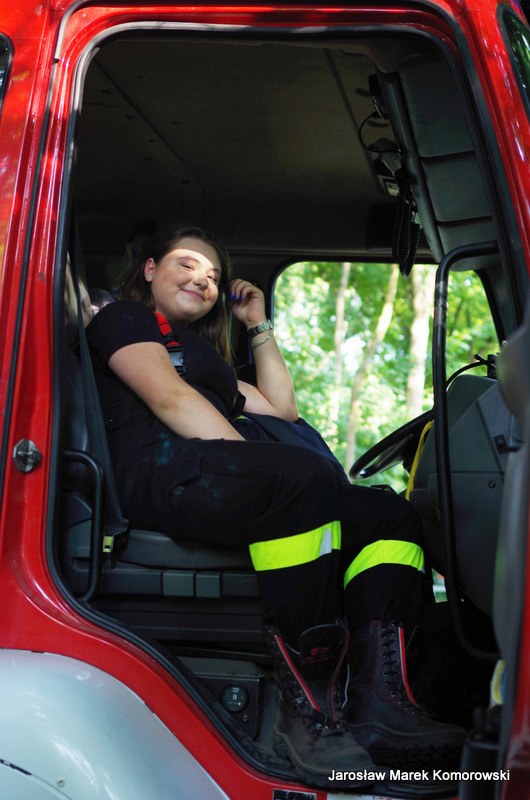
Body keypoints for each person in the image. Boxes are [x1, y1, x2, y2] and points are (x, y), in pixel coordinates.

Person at [86, 224, 465, 788]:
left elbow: (282, 410)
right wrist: (262, 470)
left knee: (386, 516)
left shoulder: (204, 356)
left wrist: (257, 323)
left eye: (213, 276)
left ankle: (383, 701)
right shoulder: (124, 319)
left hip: (210, 468)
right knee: (298, 480)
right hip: (158, 469)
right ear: (149, 269)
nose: (203, 280)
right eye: (187, 265)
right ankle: (308, 709)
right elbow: (169, 398)